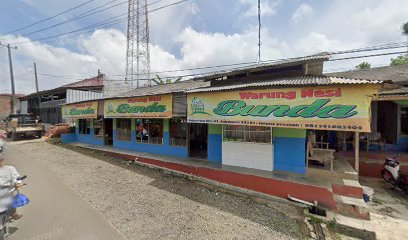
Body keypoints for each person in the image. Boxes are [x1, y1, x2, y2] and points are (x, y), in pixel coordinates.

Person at [0, 154, 23, 221]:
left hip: (8, 191)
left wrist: (17, 183)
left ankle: (14, 214)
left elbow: (16, 178)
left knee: (11, 201)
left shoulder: (10, 169)